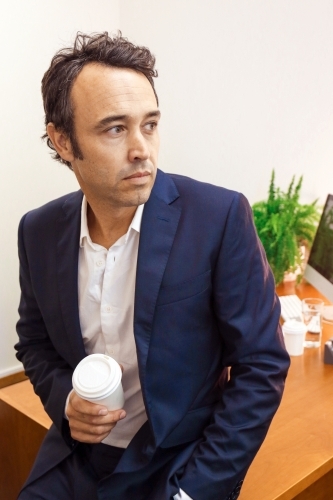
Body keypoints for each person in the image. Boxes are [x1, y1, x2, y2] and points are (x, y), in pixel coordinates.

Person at [15, 32, 289, 500]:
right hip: (78, 457)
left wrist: (196, 491)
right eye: (115, 129)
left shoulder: (219, 217)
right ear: (63, 140)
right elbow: (35, 344)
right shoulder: (37, 230)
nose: (142, 149)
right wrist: (67, 402)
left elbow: (260, 364)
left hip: (178, 463)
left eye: (150, 125)